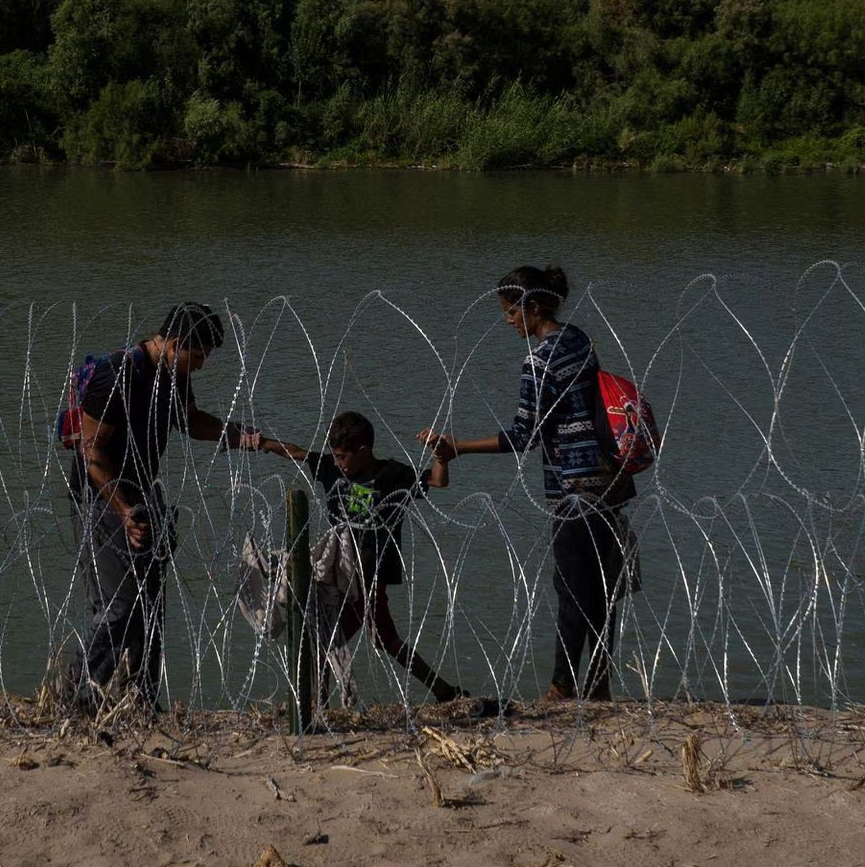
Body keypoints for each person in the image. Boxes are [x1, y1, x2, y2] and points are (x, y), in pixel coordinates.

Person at [422, 265, 633, 702]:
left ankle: (561, 687)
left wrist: (458, 447)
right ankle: (598, 685)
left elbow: (523, 435)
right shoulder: (579, 340)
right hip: (610, 480)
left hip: (574, 487)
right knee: (601, 589)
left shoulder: (539, 360)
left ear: (532, 307)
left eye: (511, 312)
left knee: (572, 588)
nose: (508, 321)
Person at [75, 302, 263, 711]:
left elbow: (191, 421)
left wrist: (241, 435)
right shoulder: (118, 374)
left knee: (150, 604)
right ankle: (84, 699)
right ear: (177, 344)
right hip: (104, 499)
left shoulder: (171, 375)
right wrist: (123, 511)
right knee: (118, 604)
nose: (201, 365)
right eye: (198, 356)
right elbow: (92, 453)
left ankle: (141, 700)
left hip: (144, 495)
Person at [255, 410, 476, 709]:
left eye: (343, 457)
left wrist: (439, 456)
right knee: (380, 638)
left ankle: (315, 708)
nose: (337, 462)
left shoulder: (391, 475)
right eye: (334, 455)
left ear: (364, 451)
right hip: (339, 573)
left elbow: (438, 481)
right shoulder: (333, 468)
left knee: (329, 637)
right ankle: (443, 691)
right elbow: (297, 452)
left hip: (370, 575)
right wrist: (261, 442)